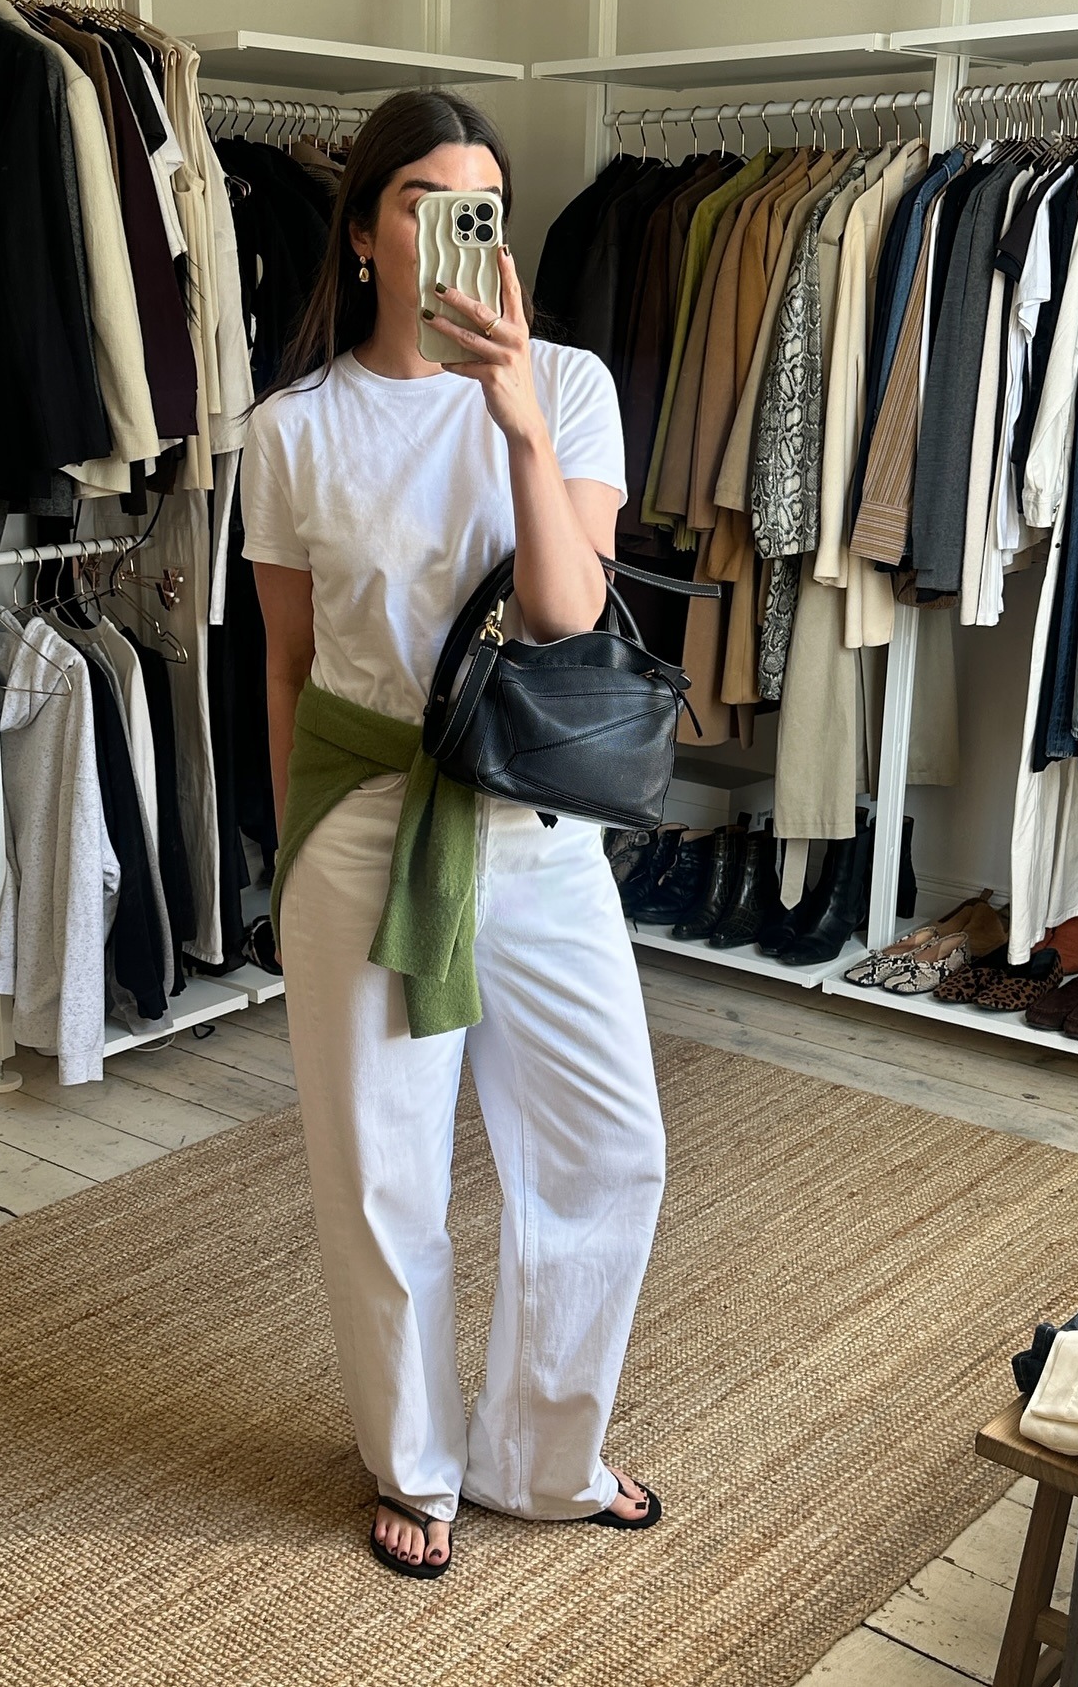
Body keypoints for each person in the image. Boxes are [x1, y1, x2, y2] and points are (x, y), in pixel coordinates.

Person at [241, 89, 666, 1581]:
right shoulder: (289, 431)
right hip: (360, 829)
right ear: (363, 235)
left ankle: (542, 1459)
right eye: (423, 196)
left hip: (535, 831)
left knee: (611, 1149)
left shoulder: (572, 386)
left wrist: (519, 424)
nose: (455, 221)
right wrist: (289, 856)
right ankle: (415, 1463)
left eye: (482, 196)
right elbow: (288, 670)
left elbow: (563, 615)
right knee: (382, 1173)